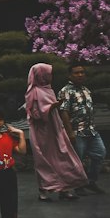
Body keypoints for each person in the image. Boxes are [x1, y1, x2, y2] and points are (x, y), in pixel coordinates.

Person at [25, 62, 87, 200]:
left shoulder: (49, 90)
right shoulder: (33, 92)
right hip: (42, 132)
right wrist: (52, 107)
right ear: (41, 75)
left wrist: (54, 107)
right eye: (47, 74)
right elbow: (35, 114)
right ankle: (44, 190)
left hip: (55, 129)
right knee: (44, 159)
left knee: (62, 156)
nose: (50, 77)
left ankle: (64, 187)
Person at [58, 63, 106, 194]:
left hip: (90, 130)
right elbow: (64, 112)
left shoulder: (86, 89)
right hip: (76, 131)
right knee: (77, 160)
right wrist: (69, 132)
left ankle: (90, 181)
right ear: (69, 75)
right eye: (76, 73)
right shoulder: (66, 91)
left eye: (82, 72)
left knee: (100, 153)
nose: (80, 75)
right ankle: (78, 185)